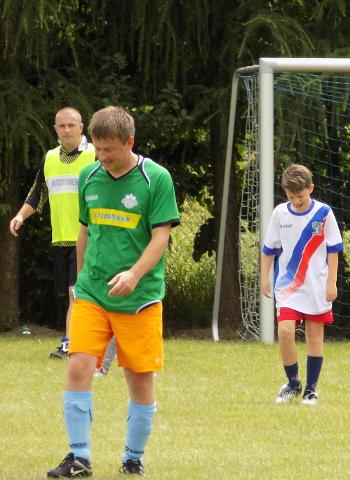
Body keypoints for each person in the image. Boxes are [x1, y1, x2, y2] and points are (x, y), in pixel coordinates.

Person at [47, 106, 180, 478]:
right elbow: (85, 230)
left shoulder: (156, 178)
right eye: (99, 149)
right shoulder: (89, 175)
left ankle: (132, 457)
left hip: (139, 299)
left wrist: (134, 275)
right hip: (92, 294)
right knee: (78, 365)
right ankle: (79, 458)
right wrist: (81, 280)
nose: (102, 157)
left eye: (110, 150)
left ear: (130, 142)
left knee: (139, 378)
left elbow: (161, 237)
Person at [9, 107, 95, 359]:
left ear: (81, 127)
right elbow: (38, 192)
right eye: (62, 126)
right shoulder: (50, 158)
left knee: (76, 293)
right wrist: (20, 216)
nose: (67, 130)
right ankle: (83, 342)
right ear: (55, 129)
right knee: (76, 295)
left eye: (71, 125)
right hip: (61, 239)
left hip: (90, 237)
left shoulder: (95, 155)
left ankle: (71, 344)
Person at [261, 164, 343, 405]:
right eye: (291, 197)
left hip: (317, 286)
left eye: (301, 196)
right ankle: (293, 383)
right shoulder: (279, 214)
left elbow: (334, 249)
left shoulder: (324, 213)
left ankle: (311, 389)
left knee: (314, 337)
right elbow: (268, 249)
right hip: (288, 287)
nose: (296, 201)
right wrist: (265, 277)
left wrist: (332, 283)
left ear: (311, 188)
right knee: (285, 331)